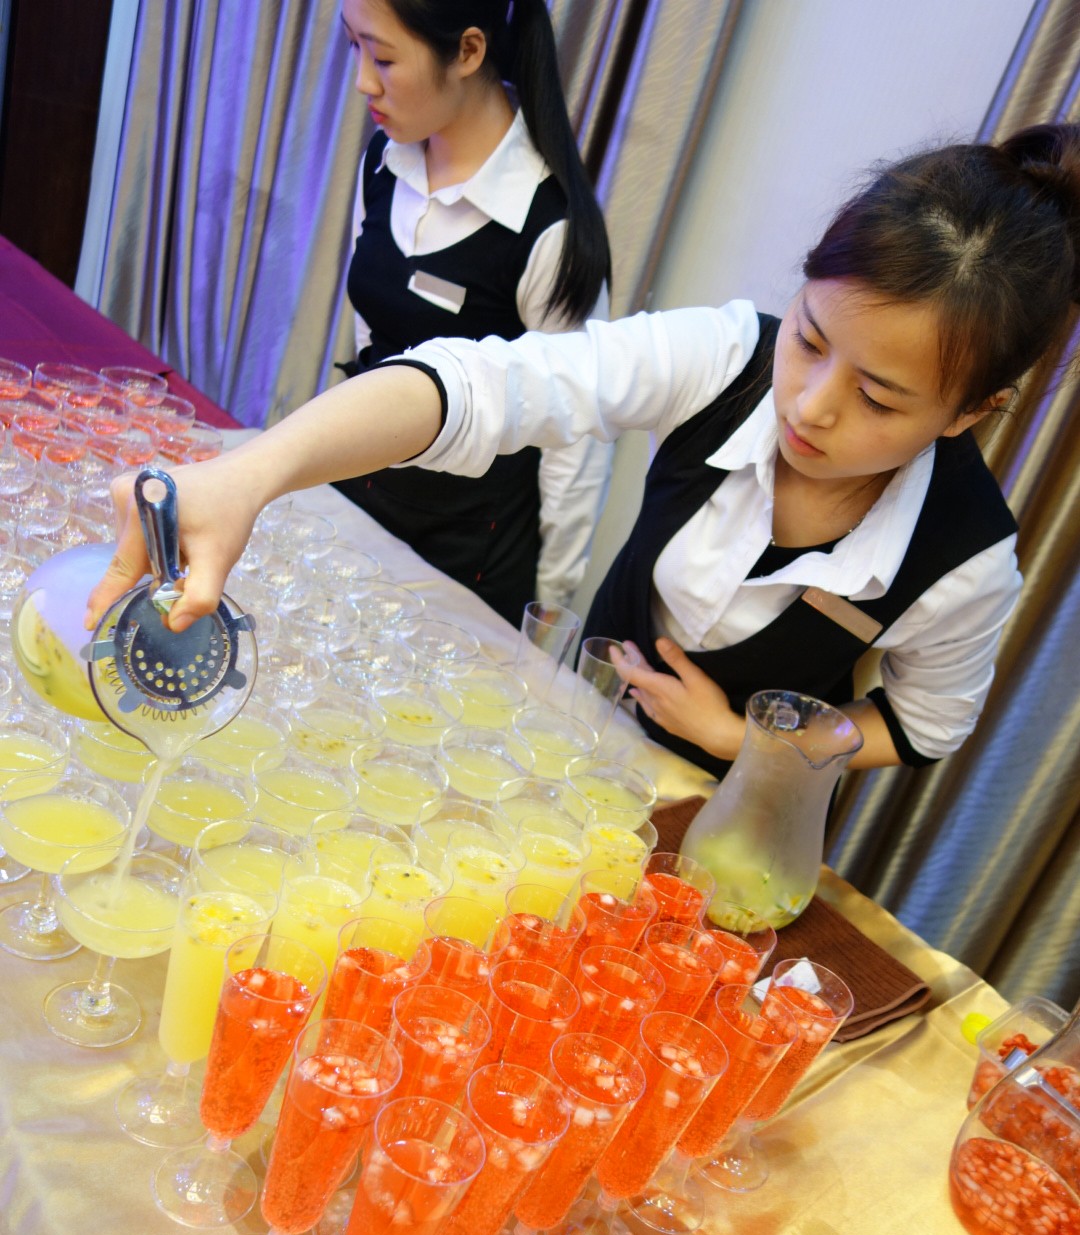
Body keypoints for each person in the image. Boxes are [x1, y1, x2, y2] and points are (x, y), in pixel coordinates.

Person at [88, 123, 1080, 779]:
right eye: (812, 339)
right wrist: (250, 475)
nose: (812, 407)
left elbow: (921, 723)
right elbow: (491, 386)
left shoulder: (966, 558)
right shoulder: (727, 356)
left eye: (877, 397)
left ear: (971, 412)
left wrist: (748, 740)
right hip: (576, 732)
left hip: (726, 811)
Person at [333, 0, 612, 624]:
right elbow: (376, 336)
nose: (363, 82)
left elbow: (574, 444)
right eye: (354, 47)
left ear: (468, 51)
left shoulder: (548, 229)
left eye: (383, 58)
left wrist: (548, 611)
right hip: (362, 491)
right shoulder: (385, 160)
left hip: (467, 553)